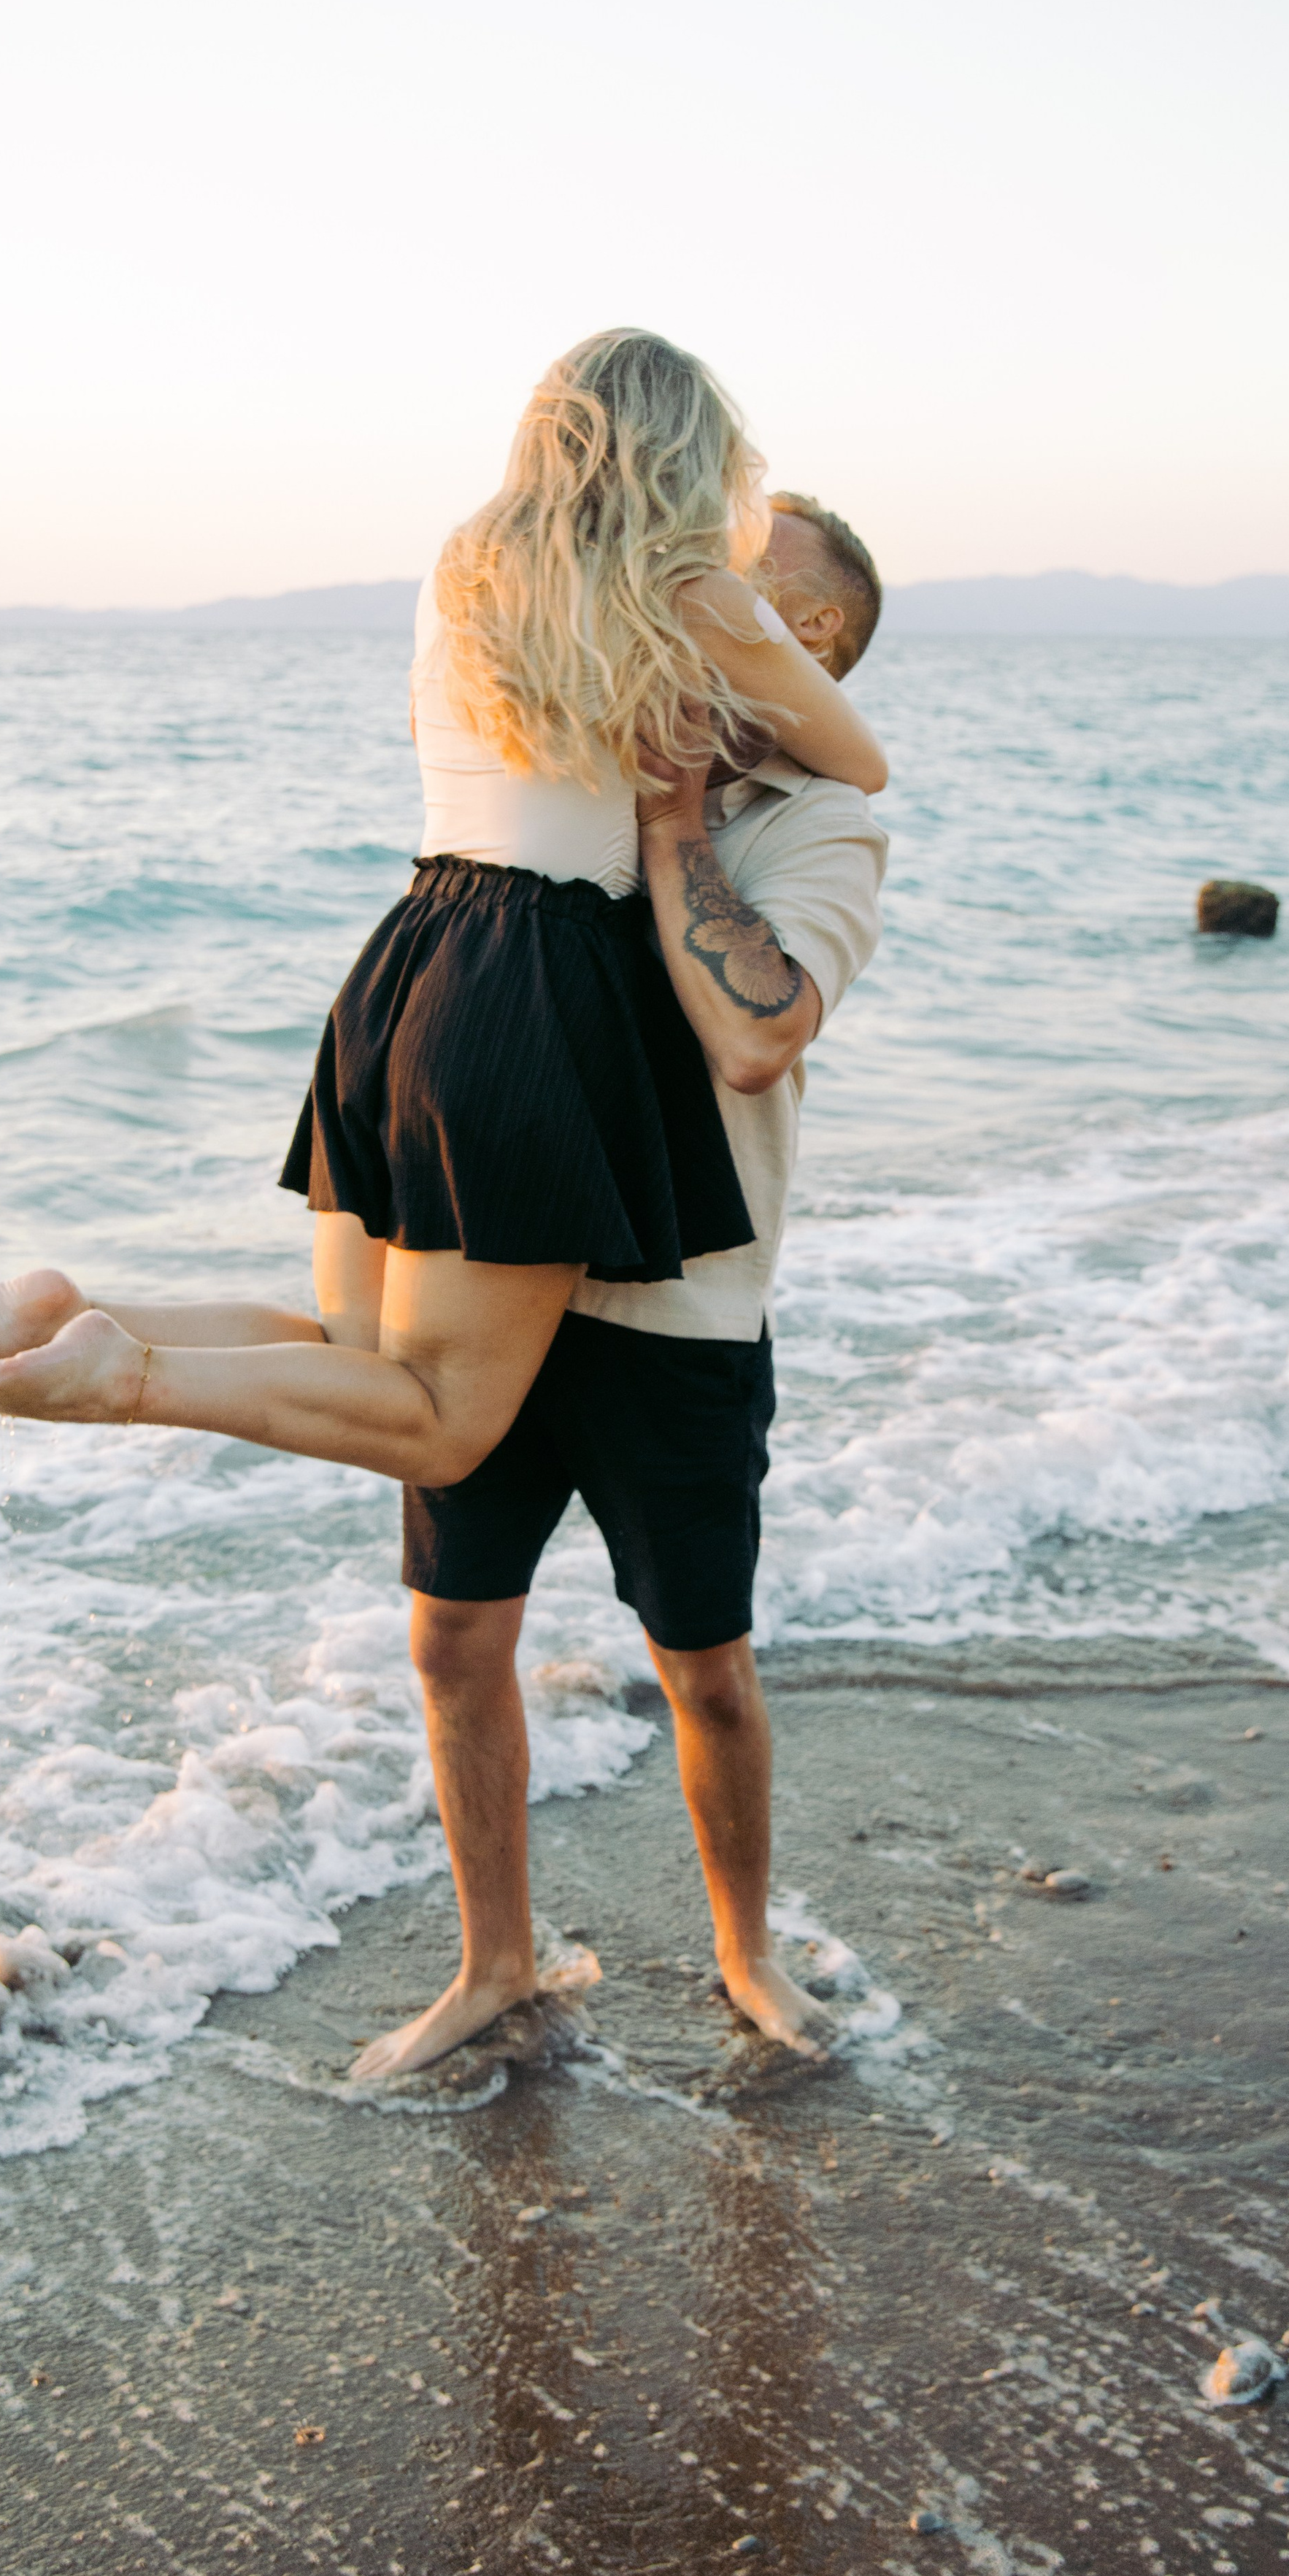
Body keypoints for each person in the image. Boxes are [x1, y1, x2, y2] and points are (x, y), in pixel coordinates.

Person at [0, 333, 885, 1500]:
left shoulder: (465, 564)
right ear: (688, 455)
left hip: (411, 958)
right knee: (444, 1423)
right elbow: (856, 758)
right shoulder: (691, 592)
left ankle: (74, 1312)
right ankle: (127, 1373)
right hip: (535, 979)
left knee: (361, 1352)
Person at [355, 491, 888, 2077]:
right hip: (496, 1287)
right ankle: (495, 1965)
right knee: (452, 1642)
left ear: (810, 649)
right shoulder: (560, 763)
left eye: (738, 591)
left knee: (701, 1665)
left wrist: (671, 817)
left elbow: (752, 1030)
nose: (683, 599)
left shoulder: (820, 826)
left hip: (680, 1311)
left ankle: (739, 1954)